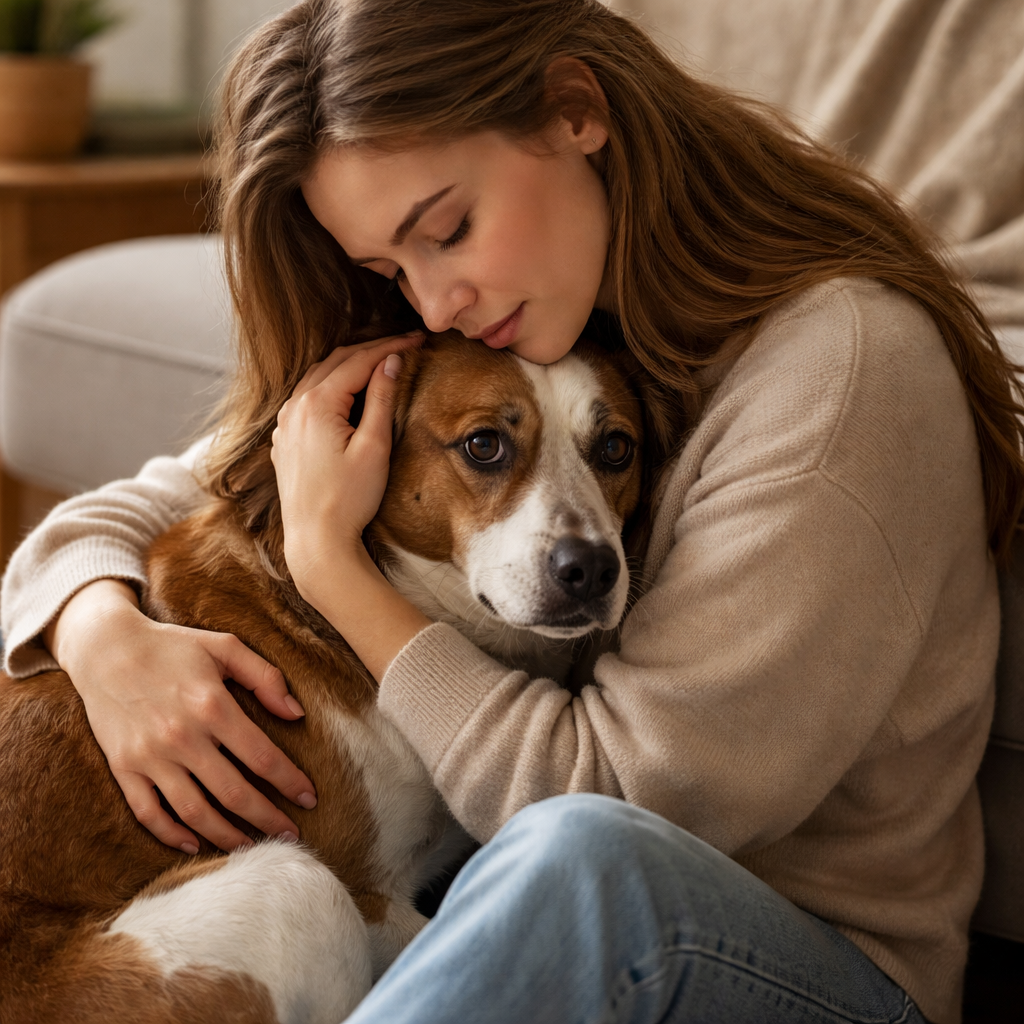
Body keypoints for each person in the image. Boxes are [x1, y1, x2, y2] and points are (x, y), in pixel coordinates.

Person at [3, 0, 1023, 1020]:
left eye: (447, 227)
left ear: (574, 109)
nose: (434, 301)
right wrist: (105, 633)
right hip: (460, 901)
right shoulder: (519, 318)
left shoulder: (838, 371)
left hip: (790, 958)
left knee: (580, 859)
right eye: (391, 268)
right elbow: (159, 502)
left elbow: (612, 801)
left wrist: (331, 566)